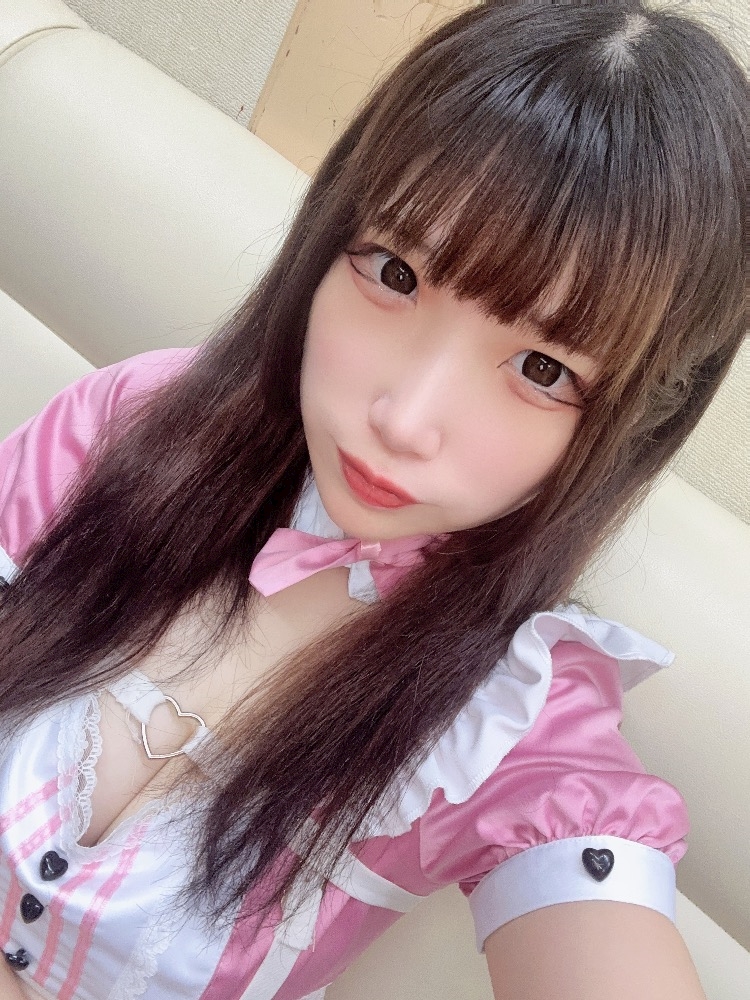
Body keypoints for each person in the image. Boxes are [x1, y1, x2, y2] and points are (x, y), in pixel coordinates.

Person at [0, 1, 746, 998]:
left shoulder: (513, 719)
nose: (405, 418)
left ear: (632, 421)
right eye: (395, 271)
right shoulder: (134, 421)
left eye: (542, 367)